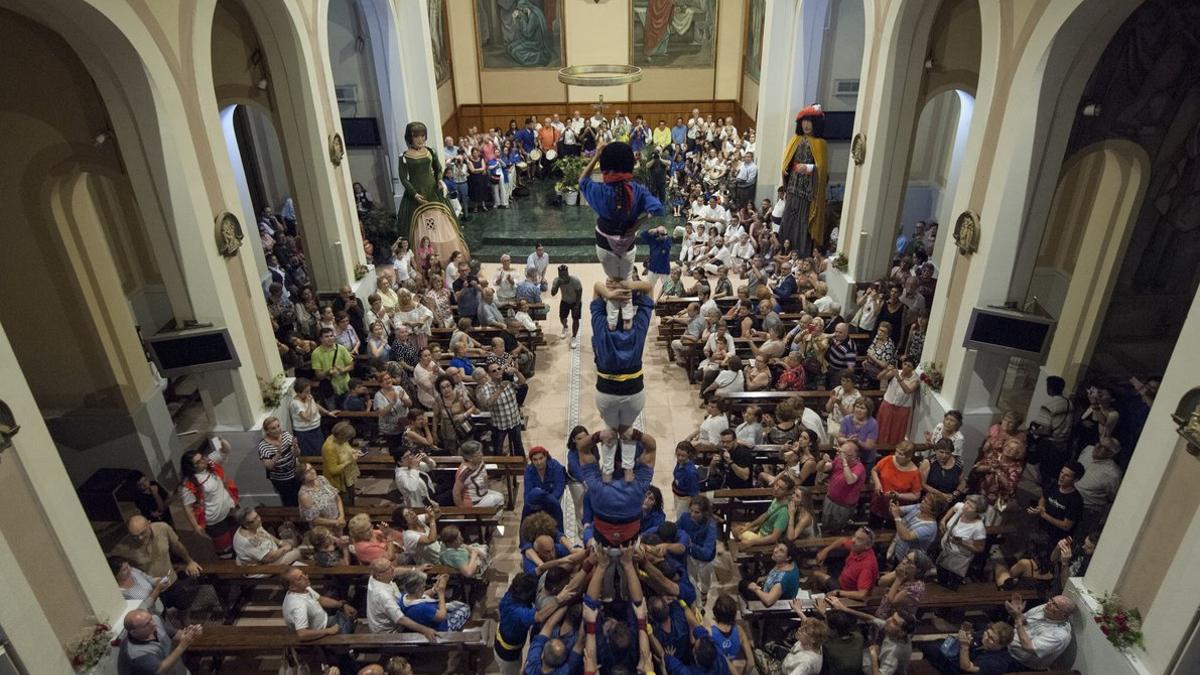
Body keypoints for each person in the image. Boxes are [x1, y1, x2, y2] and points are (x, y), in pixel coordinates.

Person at [590, 279, 656, 465]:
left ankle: (608, 470)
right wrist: (629, 286)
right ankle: (628, 469)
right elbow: (649, 287)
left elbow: (596, 287)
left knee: (609, 429)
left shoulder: (601, 326)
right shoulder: (638, 329)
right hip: (633, 390)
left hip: (606, 390)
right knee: (628, 431)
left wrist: (610, 293)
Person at [397, 122, 469, 262]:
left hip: (433, 191)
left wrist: (439, 180)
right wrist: (414, 194)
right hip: (415, 196)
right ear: (410, 137)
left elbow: (438, 169)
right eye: (416, 136)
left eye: (423, 136)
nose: (420, 139)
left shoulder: (430, 151)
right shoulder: (404, 156)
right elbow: (403, 178)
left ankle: (449, 257)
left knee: (445, 225)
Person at [577, 428, 657, 547]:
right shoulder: (640, 484)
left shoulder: (595, 484)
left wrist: (599, 435)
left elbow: (582, 447)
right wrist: (635, 434)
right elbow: (652, 447)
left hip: (602, 540)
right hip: (630, 541)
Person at [179, 447, 239, 558]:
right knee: (226, 551)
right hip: (215, 520)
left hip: (229, 510)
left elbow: (225, 450)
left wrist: (222, 442)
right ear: (192, 467)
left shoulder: (211, 465)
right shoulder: (189, 485)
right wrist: (196, 526)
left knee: (238, 541)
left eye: (202, 458)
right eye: (198, 462)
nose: (203, 461)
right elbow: (188, 507)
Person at [365, 558, 439, 638]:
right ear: (380, 575)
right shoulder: (383, 595)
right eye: (389, 568)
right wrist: (425, 630)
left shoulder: (375, 577)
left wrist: (416, 570)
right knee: (429, 619)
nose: (393, 568)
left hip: (399, 609)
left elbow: (396, 571)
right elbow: (401, 619)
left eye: (391, 566)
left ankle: (434, 590)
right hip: (389, 634)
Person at [117, 609, 201, 675]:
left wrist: (190, 632)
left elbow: (175, 634)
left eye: (151, 619)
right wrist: (182, 646)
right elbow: (160, 670)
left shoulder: (155, 621)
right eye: (146, 624)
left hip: (178, 669)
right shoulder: (137, 654)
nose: (153, 624)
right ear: (133, 632)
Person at [1005, 594, 1076, 670]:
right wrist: (1017, 612)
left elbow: (1028, 646)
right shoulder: (1046, 608)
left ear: (1064, 615)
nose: (1049, 604)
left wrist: (1018, 620)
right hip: (1008, 641)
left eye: (1055, 605)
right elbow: (1024, 620)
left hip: (1018, 661)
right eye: (1051, 600)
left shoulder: (1060, 635)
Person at [281, 567, 357, 638]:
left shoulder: (303, 588)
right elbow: (302, 634)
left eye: (303, 574)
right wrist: (329, 631)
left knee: (351, 615)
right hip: (320, 631)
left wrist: (342, 605)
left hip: (324, 621)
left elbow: (321, 600)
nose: (306, 577)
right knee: (352, 623)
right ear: (292, 587)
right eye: (300, 578)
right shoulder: (299, 605)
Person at [811, 527, 879, 601]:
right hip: (843, 578)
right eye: (854, 536)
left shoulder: (867, 566)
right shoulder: (857, 547)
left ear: (867, 546)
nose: (853, 540)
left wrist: (838, 592)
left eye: (859, 539)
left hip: (845, 592)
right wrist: (825, 550)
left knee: (816, 574)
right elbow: (842, 540)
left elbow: (862, 594)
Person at [936, 494, 988, 589]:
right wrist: (943, 520)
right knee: (939, 579)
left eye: (971, 506)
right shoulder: (961, 508)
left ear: (977, 512)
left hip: (957, 559)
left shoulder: (978, 528)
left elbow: (980, 548)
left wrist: (961, 543)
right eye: (967, 503)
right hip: (945, 550)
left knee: (947, 587)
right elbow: (953, 508)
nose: (966, 506)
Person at [396, 569, 471, 631]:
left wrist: (434, 589)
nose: (424, 588)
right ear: (417, 589)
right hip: (441, 627)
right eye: (423, 586)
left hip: (430, 615)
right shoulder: (421, 608)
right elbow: (442, 616)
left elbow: (423, 595)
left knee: (456, 604)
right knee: (466, 608)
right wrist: (441, 593)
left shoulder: (405, 596)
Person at [1075, 436, 1123, 533]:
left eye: (1103, 447)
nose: (1097, 447)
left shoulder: (1113, 473)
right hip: (1068, 494)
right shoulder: (1088, 450)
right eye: (1098, 443)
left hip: (1086, 508)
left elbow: (1113, 496)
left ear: (1110, 454)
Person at [869, 441, 924, 526]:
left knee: (889, 531)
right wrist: (877, 483)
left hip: (896, 509)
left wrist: (899, 495)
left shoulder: (914, 473)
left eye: (901, 454)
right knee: (873, 526)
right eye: (896, 452)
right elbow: (874, 470)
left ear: (909, 457)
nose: (897, 455)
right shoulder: (888, 459)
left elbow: (916, 495)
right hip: (879, 502)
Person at [478, 360, 526, 456]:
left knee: (518, 447)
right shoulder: (486, 387)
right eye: (494, 371)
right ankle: (500, 468)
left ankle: (522, 467)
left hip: (514, 421)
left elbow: (522, 383)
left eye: (499, 369)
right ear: (489, 374)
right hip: (499, 424)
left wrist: (516, 371)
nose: (497, 372)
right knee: (498, 450)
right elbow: (488, 403)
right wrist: (500, 389)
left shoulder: (509, 379)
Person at [1029, 461, 1085, 541]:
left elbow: (1066, 526)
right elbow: (1043, 499)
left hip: (1055, 537)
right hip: (1041, 527)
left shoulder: (1075, 501)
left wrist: (1044, 515)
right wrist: (1041, 507)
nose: (1062, 477)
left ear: (1076, 480)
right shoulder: (1053, 485)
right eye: (1062, 472)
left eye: (1067, 475)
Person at [822, 442, 867, 534]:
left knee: (836, 530)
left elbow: (850, 480)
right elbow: (823, 468)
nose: (839, 454)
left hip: (843, 505)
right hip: (830, 499)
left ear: (852, 456)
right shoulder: (838, 460)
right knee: (825, 525)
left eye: (842, 452)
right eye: (840, 451)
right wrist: (823, 461)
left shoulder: (859, 467)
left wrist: (845, 463)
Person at [232, 507, 302, 566]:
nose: (259, 519)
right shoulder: (247, 541)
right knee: (297, 552)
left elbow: (267, 535)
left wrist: (280, 542)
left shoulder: (254, 526)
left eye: (257, 516)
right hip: (263, 566)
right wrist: (285, 549)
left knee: (292, 542)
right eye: (254, 519)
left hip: (273, 552)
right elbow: (268, 558)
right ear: (246, 525)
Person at [257, 416, 302, 506]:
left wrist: (296, 447)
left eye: (278, 426)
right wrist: (278, 454)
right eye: (273, 428)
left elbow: (297, 454)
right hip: (281, 480)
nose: (278, 429)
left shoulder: (286, 435)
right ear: (267, 431)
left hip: (294, 473)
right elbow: (269, 466)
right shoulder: (263, 446)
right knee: (289, 501)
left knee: (299, 496)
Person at [740, 542, 802, 606]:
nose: (775, 550)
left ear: (788, 558)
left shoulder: (782, 580)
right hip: (767, 585)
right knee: (747, 577)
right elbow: (775, 572)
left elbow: (768, 601)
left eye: (781, 551)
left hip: (774, 601)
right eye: (777, 547)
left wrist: (754, 588)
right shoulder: (787, 562)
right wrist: (765, 578)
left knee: (742, 584)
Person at [876, 357, 920, 445]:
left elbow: (908, 391)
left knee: (897, 430)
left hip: (902, 408)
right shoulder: (896, 371)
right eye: (905, 364)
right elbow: (880, 377)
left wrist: (898, 378)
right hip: (888, 403)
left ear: (913, 368)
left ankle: (892, 449)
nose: (906, 367)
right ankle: (880, 447)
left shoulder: (915, 380)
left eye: (909, 366)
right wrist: (886, 370)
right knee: (883, 426)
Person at [523, 446, 567, 530]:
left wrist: (547, 503)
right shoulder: (529, 471)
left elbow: (559, 487)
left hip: (553, 499)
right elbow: (528, 492)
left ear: (546, 457)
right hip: (537, 503)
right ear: (532, 461)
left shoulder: (556, 466)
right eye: (535, 460)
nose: (539, 462)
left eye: (541, 458)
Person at [453, 441, 505, 508]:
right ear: (469, 458)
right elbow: (456, 492)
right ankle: (485, 518)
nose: (481, 455)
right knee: (500, 499)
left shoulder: (479, 461)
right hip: (474, 502)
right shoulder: (464, 472)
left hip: (483, 494)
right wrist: (461, 510)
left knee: (499, 495)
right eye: (478, 454)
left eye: (481, 452)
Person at [322, 421, 362, 505]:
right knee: (345, 503)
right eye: (347, 438)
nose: (348, 440)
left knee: (351, 499)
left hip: (348, 476)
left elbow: (347, 448)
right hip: (339, 481)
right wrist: (349, 461)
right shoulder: (329, 447)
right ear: (341, 436)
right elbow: (333, 470)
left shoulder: (341, 440)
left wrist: (354, 451)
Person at [312, 327, 354, 407]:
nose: (330, 338)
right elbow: (318, 375)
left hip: (345, 384)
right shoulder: (316, 353)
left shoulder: (341, 348)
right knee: (333, 410)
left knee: (346, 409)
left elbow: (351, 365)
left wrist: (343, 370)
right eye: (326, 336)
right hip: (329, 387)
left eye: (331, 336)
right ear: (321, 339)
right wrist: (328, 372)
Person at [298, 463, 346, 530]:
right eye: (307, 472)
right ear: (302, 477)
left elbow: (337, 497)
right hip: (322, 531)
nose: (312, 472)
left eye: (312, 468)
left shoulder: (322, 479)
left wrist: (341, 516)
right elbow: (314, 519)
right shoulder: (305, 494)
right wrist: (335, 522)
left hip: (338, 523)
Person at [551, 264, 584, 346]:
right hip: (564, 301)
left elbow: (579, 293)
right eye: (560, 275)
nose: (562, 276)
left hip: (575, 301)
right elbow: (553, 294)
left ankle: (574, 337)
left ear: (567, 273)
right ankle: (565, 326)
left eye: (564, 274)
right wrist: (557, 285)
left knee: (575, 319)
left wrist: (577, 306)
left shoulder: (575, 281)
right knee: (562, 318)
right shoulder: (557, 281)